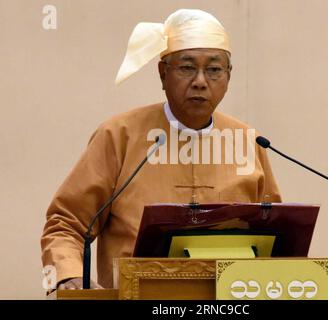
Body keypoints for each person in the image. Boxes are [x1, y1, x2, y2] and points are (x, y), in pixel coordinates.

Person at [41, 9, 282, 290]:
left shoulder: (247, 141)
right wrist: (68, 275)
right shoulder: (120, 136)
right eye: (187, 67)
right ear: (162, 73)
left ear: (228, 77)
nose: (201, 81)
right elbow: (66, 223)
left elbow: (276, 236)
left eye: (214, 69)